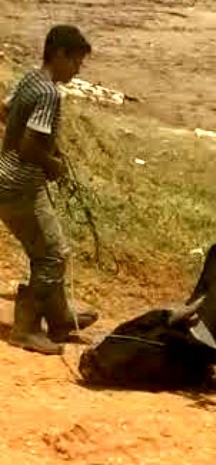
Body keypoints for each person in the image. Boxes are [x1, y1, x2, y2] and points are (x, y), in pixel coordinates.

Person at [0, 25, 98, 355]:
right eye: (76, 62)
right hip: (20, 186)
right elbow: (29, 146)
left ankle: (58, 318)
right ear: (60, 55)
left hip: (7, 179)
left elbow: (4, 110)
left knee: (46, 248)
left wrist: (35, 150)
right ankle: (25, 328)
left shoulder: (31, 79)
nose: (77, 70)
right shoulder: (50, 94)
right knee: (54, 255)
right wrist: (52, 163)